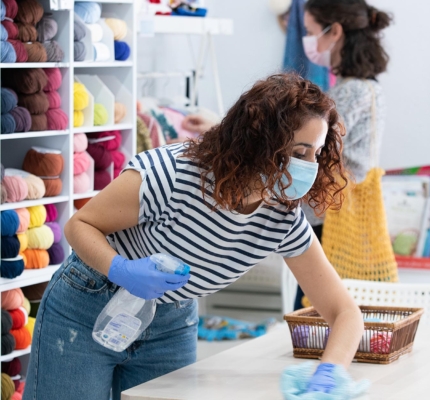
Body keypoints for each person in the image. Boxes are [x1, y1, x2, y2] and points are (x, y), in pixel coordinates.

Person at [24, 74, 364, 399]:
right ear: (261, 139)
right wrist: (120, 269)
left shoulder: (282, 217)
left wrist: (330, 371)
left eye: (316, 154)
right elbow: (79, 225)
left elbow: (344, 311)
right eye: (299, 152)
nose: (309, 165)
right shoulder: (172, 174)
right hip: (87, 304)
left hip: (170, 323)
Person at [294, 0, 393, 308]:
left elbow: (307, 144)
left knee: (316, 312)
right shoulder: (366, 89)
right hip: (336, 217)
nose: (308, 41)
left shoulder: (351, 93)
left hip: (333, 222)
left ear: (334, 31)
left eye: (311, 32)